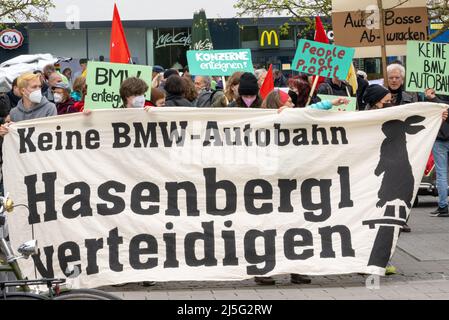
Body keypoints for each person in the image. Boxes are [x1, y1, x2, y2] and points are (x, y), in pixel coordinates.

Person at [426, 89, 449, 217]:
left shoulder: (435, 95)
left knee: (442, 174)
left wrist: (432, 98)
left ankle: (443, 206)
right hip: (439, 138)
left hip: (439, 137)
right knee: (441, 174)